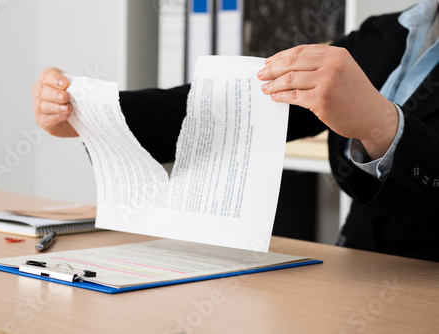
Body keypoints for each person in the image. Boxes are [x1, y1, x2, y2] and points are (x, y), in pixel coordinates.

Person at [32, 0, 439, 262]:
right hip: (350, 276)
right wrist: (92, 112)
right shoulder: (386, 33)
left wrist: (380, 124)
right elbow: (231, 107)